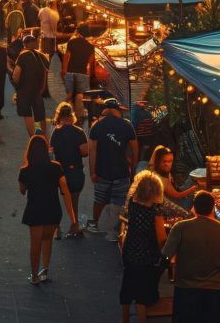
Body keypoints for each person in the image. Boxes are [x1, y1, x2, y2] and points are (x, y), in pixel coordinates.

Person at [161, 191, 220, 323]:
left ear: (194, 207)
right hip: (215, 291)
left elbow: (165, 255)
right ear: (213, 207)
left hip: (185, 288)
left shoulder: (180, 228)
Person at [18, 134, 77, 285]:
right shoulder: (56, 167)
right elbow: (65, 191)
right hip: (53, 209)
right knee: (47, 239)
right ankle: (45, 270)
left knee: (35, 243)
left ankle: (34, 275)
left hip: (35, 209)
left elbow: (22, 190)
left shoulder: (25, 171)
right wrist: (73, 218)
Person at [119, 171, 167, 322]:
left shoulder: (133, 204)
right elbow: (161, 239)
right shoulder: (155, 212)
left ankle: (125, 319)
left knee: (128, 286)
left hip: (130, 251)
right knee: (141, 296)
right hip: (146, 256)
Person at [89, 99, 139, 240]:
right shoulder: (126, 126)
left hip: (101, 171)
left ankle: (95, 223)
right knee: (119, 201)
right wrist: (133, 168)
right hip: (121, 171)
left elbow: (92, 151)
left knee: (99, 199)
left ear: (105, 110)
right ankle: (115, 229)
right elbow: (135, 148)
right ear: (118, 110)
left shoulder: (97, 126)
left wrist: (92, 172)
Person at [49, 102, 88, 238]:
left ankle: (56, 229)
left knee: (55, 200)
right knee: (74, 200)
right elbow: (84, 152)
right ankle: (74, 225)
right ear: (72, 116)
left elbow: (51, 153)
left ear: (59, 117)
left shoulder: (56, 133)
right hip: (75, 171)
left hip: (60, 172)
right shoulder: (79, 132)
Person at [11, 35, 49, 136]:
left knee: (27, 114)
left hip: (24, 91)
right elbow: (45, 72)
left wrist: (17, 88)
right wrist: (42, 87)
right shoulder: (41, 55)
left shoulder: (22, 55)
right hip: (37, 90)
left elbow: (16, 75)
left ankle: (33, 137)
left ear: (24, 45)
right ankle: (44, 137)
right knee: (40, 115)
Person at [62, 32, 96, 121]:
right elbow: (91, 60)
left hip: (70, 72)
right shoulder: (90, 46)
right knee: (80, 94)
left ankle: (63, 111)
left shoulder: (71, 42)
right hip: (82, 72)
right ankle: (79, 115)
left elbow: (66, 56)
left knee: (69, 94)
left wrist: (64, 70)